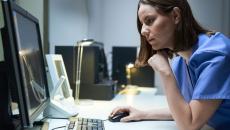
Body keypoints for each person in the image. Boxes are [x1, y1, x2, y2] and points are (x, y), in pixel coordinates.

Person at [110, 0, 230, 130]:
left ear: (176, 16)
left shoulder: (215, 55)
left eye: (149, 20)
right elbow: (187, 111)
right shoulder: (181, 60)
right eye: (142, 24)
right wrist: (142, 114)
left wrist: (165, 72)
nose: (143, 30)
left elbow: (189, 125)